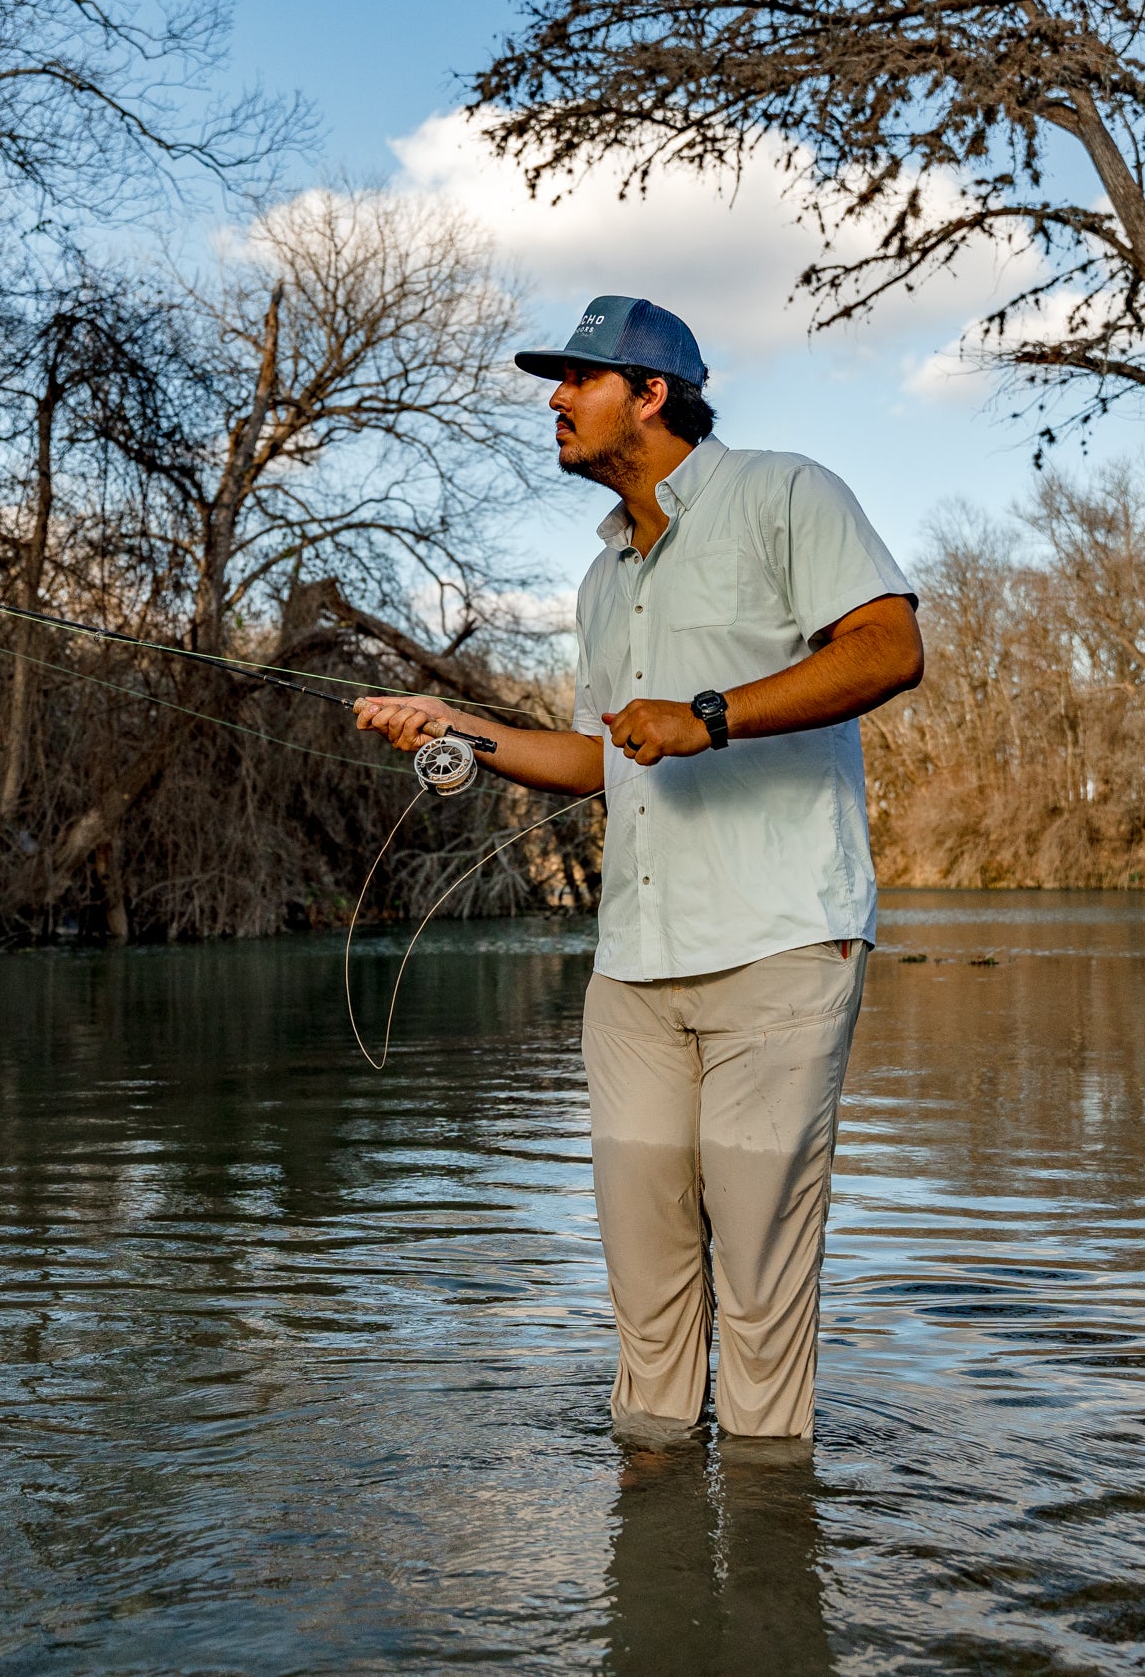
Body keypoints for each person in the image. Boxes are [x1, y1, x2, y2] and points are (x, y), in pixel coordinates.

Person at [357, 296, 922, 1441]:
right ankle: (650, 1556)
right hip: (632, 972)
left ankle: (769, 1561)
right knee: (646, 1309)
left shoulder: (784, 493)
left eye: (577, 379)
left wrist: (708, 715)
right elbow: (601, 755)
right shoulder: (601, 578)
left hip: (778, 949)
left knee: (760, 1299)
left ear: (650, 393)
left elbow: (889, 647)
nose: (555, 402)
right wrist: (455, 729)